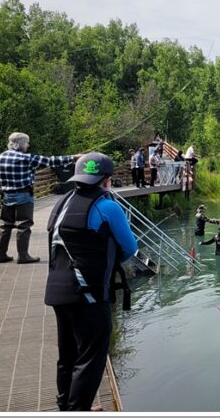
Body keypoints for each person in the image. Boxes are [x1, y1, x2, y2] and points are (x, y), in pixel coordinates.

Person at [44, 152, 138, 411]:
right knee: (91, 358)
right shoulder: (107, 206)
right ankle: (78, 411)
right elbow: (130, 248)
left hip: (56, 290)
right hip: (89, 293)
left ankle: (66, 406)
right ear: (107, 180)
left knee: (68, 355)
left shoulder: (61, 202)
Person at [0, 132, 80, 264]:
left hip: (6, 196)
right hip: (24, 196)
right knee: (24, 225)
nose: (28, 145)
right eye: (26, 143)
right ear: (20, 144)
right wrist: (73, 158)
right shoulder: (27, 158)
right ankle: (23, 256)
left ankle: (1, 255)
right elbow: (50, 161)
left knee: (5, 226)